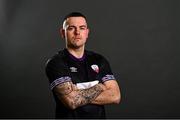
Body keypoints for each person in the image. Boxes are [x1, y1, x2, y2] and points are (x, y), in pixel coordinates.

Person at [45, 12, 121, 119]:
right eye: (71, 28)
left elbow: (115, 96)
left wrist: (77, 90)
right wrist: (100, 86)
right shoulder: (56, 62)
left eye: (82, 28)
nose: (77, 32)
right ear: (63, 33)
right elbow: (71, 101)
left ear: (87, 32)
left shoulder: (99, 60)